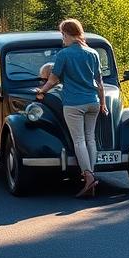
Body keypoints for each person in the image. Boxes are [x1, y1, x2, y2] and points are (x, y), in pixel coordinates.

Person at [35, 18, 107, 197]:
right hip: (93, 102)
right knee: (91, 139)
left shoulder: (64, 55)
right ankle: (91, 176)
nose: (63, 39)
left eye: (63, 35)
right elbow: (99, 83)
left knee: (79, 141)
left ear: (67, 34)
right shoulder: (93, 53)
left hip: (74, 103)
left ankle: (88, 177)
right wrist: (103, 103)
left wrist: (41, 91)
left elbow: (53, 79)